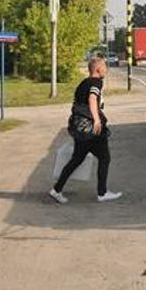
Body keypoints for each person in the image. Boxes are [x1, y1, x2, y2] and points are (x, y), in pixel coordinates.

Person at [49, 57, 122, 203]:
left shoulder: (83, 83)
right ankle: (102, 193)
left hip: (80, 128)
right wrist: (96, 119)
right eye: (104, 67)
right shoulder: (96, 82)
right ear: (98, 69)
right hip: (92, 129)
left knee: (77, 159)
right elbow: (92, 98)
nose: (106, 69)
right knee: (104, 158)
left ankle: (56, 189)